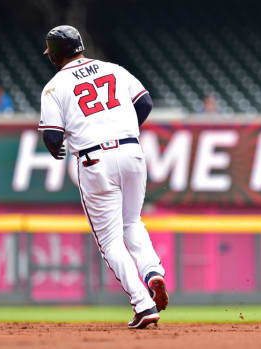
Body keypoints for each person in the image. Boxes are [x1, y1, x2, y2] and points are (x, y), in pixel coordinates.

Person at [38, 25, 168, 329]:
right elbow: (145, 103)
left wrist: (56, 146)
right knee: (132, 223)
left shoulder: (55, 86)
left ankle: (143, 303)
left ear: (55, 55)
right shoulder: (114, 70)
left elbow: (53, 136)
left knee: (110, 240)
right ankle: (153, 272)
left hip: (95, 159)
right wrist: (119, 128)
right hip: (132, 151)